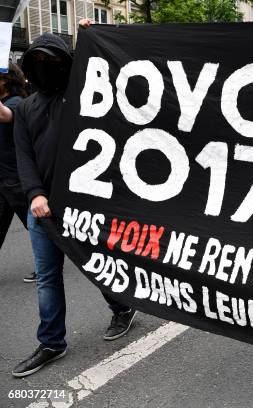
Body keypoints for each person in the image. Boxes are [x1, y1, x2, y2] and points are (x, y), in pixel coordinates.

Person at [11, 33, 137, 378]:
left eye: (52, 62)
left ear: (68, 64)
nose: (45, 68)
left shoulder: (86, 97)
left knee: (96, 264)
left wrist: (94, 39)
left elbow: (117, 77)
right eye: (38, 63)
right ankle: (52, 341)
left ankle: (121, 306)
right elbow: (24, 156)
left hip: (84, 204)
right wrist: (35, 194)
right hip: (41, 210)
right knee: (47, 278)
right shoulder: (25, 109)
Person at [0, 62, 35, 283]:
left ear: (7, 80)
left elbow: (4, 116)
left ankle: (52, 262)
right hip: (2, 178)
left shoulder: (16, 103)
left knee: (38, 227)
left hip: (16, 178)